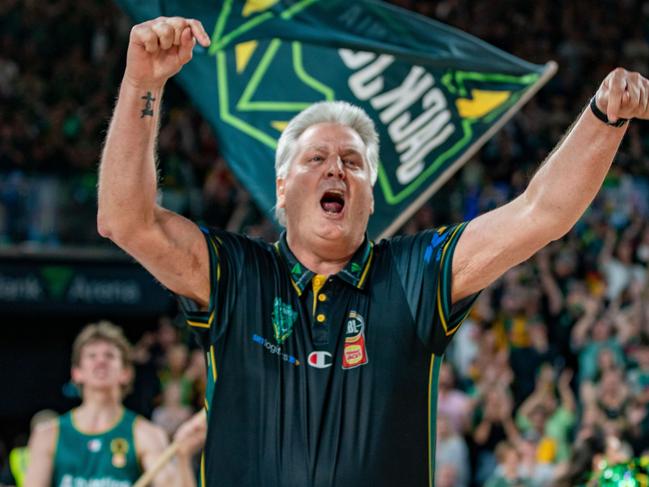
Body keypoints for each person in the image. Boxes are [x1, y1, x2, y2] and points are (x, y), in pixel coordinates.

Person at [96, 15, 649, 487]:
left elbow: (541, 214)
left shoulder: (416, 272)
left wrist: (603, 118)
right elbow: (125, 220)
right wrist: (142, 82)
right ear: (281, 188)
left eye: (353, 162)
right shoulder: (236, 272)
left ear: (370, 193)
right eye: (316, 159)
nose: (336, 167)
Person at [24, 321, 196, 487]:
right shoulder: (48, 434)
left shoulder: (146, 434)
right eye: (92, 355)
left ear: (126, 373)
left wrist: (183, 457)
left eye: (110, 355)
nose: (101, 361)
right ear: (76, 373)